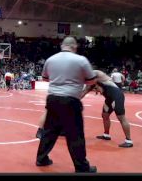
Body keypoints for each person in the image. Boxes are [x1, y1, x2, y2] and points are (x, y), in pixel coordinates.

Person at [36, 37, 97, 173]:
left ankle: (41, 159)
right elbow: (92, 81)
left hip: (52, 99)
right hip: (70, 100)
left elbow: (46, 79)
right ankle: (81, 167)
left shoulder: (51, 59)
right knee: (75, 134)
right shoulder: (81, 60)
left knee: (49, 131)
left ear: (62, 46)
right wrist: (76, 79)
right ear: (74, 46)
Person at [81, 70, 133, 148]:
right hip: (109, 99)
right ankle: (106, 135)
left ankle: (129, 140)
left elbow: (89, 78)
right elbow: (83, 92)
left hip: (117, 96)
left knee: (121, 117)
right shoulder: (90, 85)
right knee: (105, 115)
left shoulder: (97, 73)